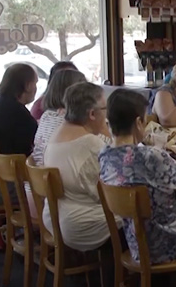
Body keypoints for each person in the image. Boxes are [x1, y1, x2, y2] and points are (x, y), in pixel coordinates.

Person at [99, 88, 176, 265]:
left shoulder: (105, 155)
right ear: (138, 123)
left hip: (136, 244)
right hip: (170, 243)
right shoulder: (150, 156)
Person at [42, 82, 118, 252]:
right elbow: (111, 193)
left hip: (54, 218)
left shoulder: (57, 133)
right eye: (105, 109)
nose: (106, 116)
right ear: (92, 114)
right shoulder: (90, 144)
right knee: (144, 213)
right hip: (82, 225)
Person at [0, 63, 38, 206]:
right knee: (49, 189)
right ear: (28, 85)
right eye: (35, 83)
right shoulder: (18, 114)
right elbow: (36, 149)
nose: (36, 88)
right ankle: (37, 227)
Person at [33, 70, 88, 166]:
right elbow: (103, 145)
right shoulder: (69, 121)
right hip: (58, 178)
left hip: (38, 177)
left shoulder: (46, 116)